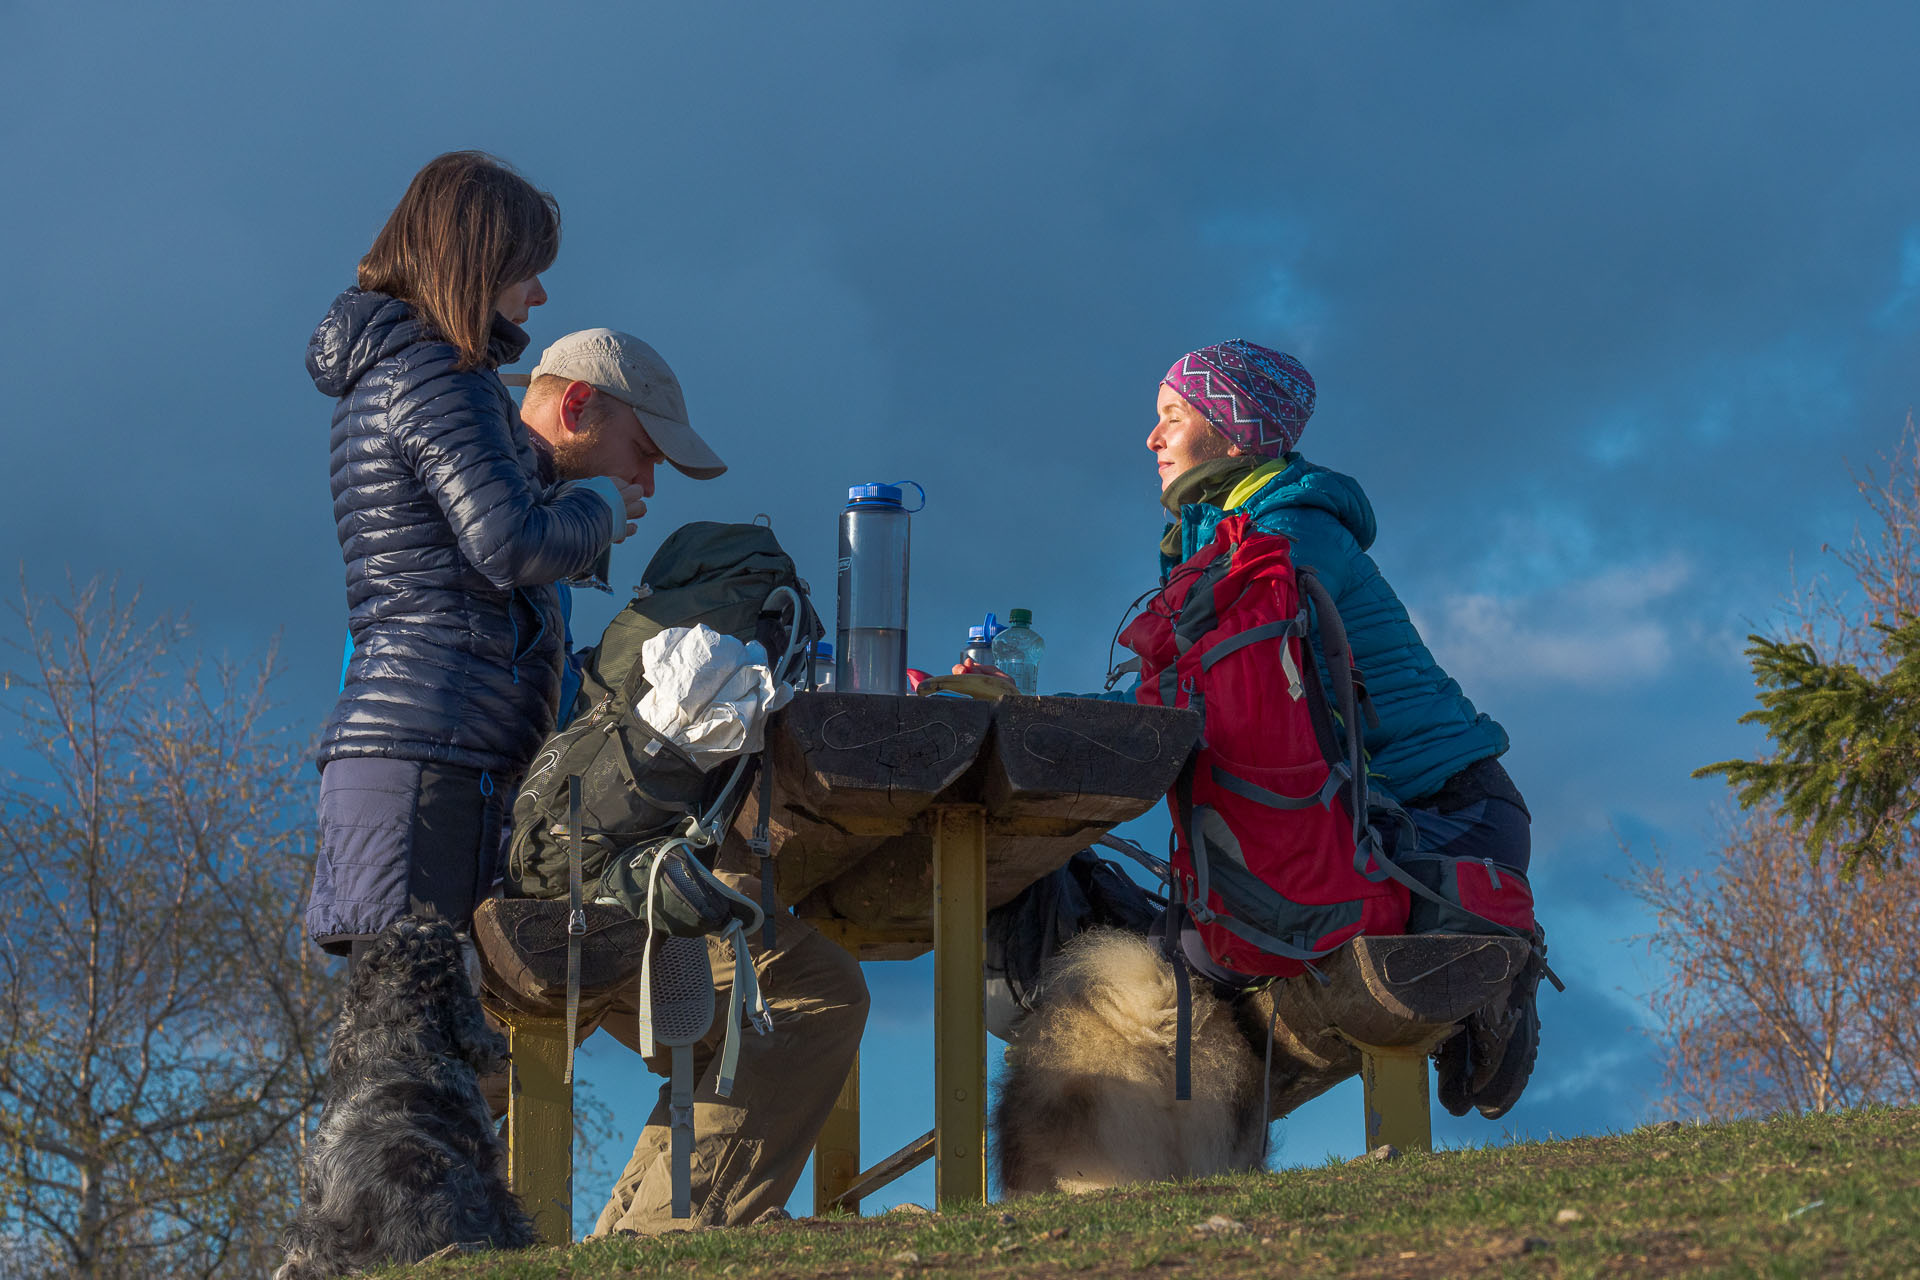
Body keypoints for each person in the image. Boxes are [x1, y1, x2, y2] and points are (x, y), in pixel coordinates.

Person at [511, 329, 871, 1234]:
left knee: (746, 951)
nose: (650, 483)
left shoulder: (507, 512)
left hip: (499, 848)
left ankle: (641, 1233)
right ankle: (664, 1239)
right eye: (645, 452)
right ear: (579, 408)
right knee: (811, 990)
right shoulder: (509, 524)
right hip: (519, 870)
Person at [304, 152, 648, 959]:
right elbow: (508, 541)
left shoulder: (417, 374)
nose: (539, 294)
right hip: (429, 759)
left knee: (426, 1051)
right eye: (529, 268)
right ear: (482, 255)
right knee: (412, 1051)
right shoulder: (435, 377)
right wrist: (598, 510)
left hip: (430, 756)